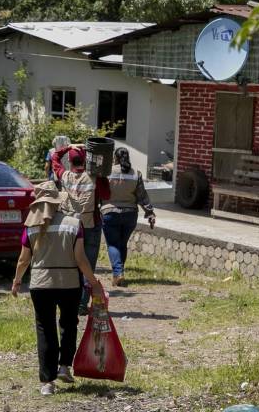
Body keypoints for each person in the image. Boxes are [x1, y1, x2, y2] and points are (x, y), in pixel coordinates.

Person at [11, 181, 102, 396]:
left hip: (41, 285)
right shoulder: (73, 224)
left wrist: (16, 281)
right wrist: (93, 282)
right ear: (58, 201)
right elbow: (80, 258)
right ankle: (64, 367)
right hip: (69, 283)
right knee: (69, 324)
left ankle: (47, 383)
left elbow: (23, 260)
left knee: (45, 329)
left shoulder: (30, 226)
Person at [50, 143, 110, 314]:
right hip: (90, 225)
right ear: (86, 160)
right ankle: (82, 304)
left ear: (69, 161)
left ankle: (69, 301)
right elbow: (107, 195)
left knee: (71, 265)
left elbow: (54, 157)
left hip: (70, 227)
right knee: (88, 266)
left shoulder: (64, 175)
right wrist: (102, 175)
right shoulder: (95, 177)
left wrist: (67, 147)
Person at [100, 147, 156, 286]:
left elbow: (99, 193)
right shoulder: (136, 174)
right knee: (122, 243)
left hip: (109, 213)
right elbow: (142, 196)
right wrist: (150, 212)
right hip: (130, 214)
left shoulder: (106, 173)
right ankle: (120, 272)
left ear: (115, 158)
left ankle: (118, 273)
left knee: (113, 244)